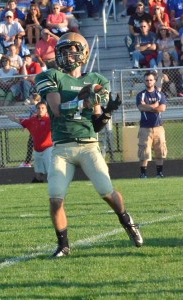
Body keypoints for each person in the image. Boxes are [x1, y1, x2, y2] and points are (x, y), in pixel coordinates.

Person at [35, 32, 143, 257]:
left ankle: (128, 222)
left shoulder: (95, 80)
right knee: (55, 198)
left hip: (88, 145)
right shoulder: (52, 76)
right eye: (63, 51)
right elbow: (56, 109)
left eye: (72, 51)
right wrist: (82, 101)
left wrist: (107, 112)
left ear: (83, 53)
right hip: (62, 148)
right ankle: (63, 245)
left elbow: (97, 125)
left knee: (106, 192)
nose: (67, 56)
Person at [7, 101, 53, 183]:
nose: (40, 110)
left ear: (46, 110)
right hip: (37, 150)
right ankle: (38, 181)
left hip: (48, 149)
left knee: (51, 170)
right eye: (38, 108)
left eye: (43, 108)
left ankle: (55, 184)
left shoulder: (50, 120)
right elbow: (23, 122)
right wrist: (14, 119)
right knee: (38, 171)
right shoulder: (33, 120)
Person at [136, 71, 167, 179]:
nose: (149, 82)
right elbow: (141, 107)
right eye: (147, 80)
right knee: (144, 152)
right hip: (145, 128)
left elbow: (162, 108)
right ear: (144, 81)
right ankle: (143, 174)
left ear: (154, 81)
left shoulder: (160, 94)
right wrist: (154, 106)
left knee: (160, 150)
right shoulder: (141, 94)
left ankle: (159, 173)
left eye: (151, 80)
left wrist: (148, 106)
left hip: (158, 127)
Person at [19, 93, 41, 168]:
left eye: (31, 98)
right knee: (30, 145)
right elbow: (30, 118)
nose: (30, 99)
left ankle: (28, 162)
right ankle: (27, 162)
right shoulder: (33, 108)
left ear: (34, 99)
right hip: (33, 130)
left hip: (38, 130)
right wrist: (25, 126)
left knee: (35, 146)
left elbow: (34, 117)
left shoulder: (40, 107)